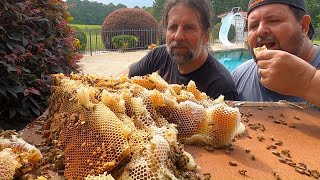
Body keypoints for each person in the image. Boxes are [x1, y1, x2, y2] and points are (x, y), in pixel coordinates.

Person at [125, 0, 238, 100]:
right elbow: (127, 74)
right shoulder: (158, 56)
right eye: (173, 27)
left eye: (189, 28)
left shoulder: (221, 87)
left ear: (206, 36)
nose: (178, 36)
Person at [232, 0, 320, 107]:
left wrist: (307, 81)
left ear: (303, 26)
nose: (260, 31)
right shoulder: (239, 77)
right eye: (254, 25)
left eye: (273, 21)